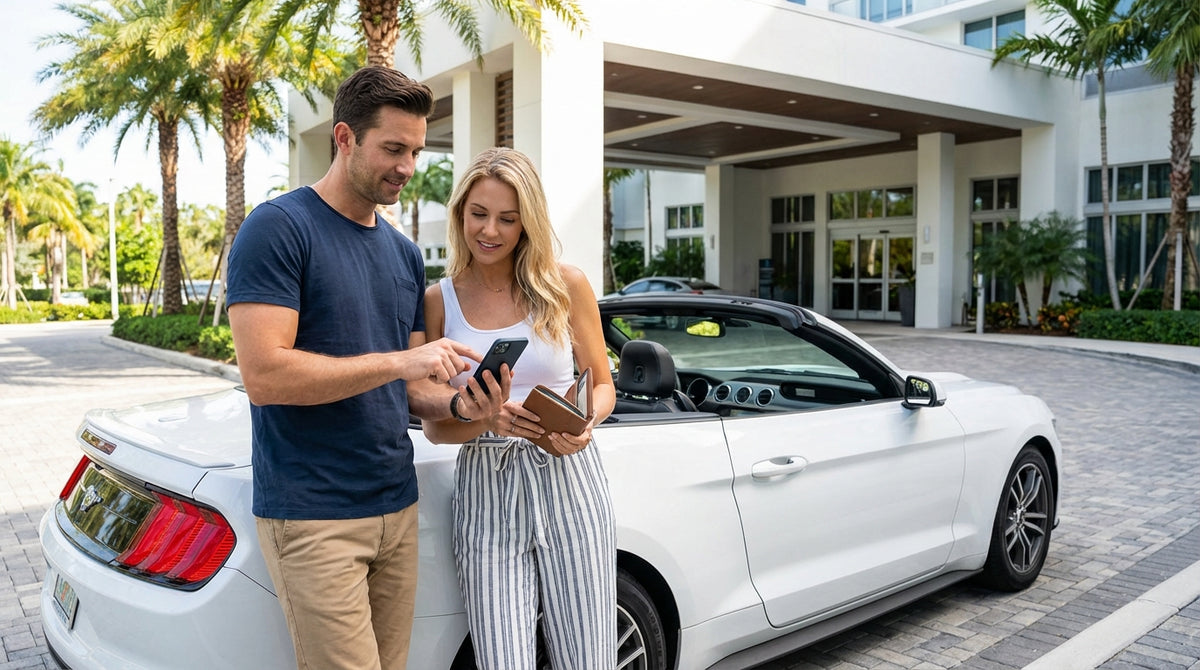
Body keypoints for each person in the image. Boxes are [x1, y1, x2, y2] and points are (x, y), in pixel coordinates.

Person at [224, 66, 500, 670]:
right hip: (314, 512)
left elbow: (411, 389)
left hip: (396, 508)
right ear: (344, 138)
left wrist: (458, 404)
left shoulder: (401, 253)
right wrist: (403, 360)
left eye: (417, 151)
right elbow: (265, 376)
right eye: (393, 149)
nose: (407, 166)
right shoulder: (278, 228)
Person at [422, 147, 619, 670]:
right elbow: (435, 430)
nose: (490, 231)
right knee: (501, 658)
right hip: (486, 486)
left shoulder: (565, 286)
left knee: (588, 658)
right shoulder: (438, 301)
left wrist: (585, 425)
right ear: (460, 212)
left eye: (508, 219)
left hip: (569, 477)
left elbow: (603, 387)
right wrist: (484, 417)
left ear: (527, 222)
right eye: (478, 214)